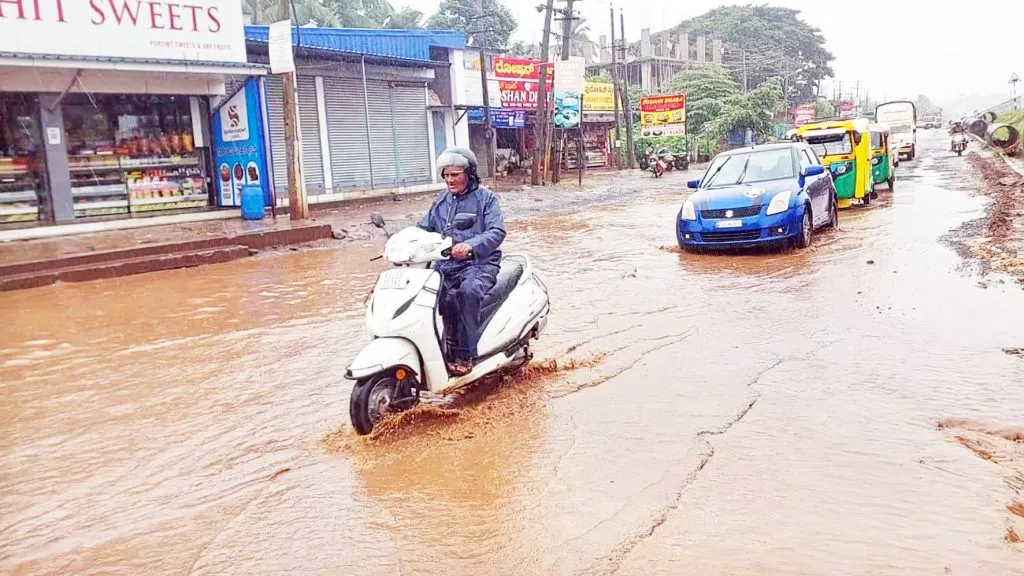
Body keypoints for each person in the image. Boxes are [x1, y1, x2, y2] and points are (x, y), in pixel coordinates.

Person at [418, 147, 506, 376]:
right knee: (434, 297)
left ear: (469, 173)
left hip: (480, 263)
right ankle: (440, 351)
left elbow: (496, 231)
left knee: (468, 292)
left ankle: (466, 354)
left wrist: (471, 245)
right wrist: (402, 241)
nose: (450, 180)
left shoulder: (486, 198)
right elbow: (424, 228)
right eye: (446, 175)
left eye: (455, 174)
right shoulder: (441, 201)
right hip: (447, 264)